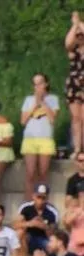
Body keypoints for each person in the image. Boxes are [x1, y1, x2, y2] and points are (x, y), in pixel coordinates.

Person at [20, 73, 59, 200]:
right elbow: (23, 121)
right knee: (30, 173)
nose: (38, 86)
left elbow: (53, 119)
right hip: (30, 140)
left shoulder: (53, 99)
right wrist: (34, 105)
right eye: (35, 84)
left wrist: (43, 102)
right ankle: (27, 204)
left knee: (43, 173)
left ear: (46, 84)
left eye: (40, 83)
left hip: (46, 139)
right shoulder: (28, 100)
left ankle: (42, 203)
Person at [15, 184, 59, 256]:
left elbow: (53, 234)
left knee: (53, 245)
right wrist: (31, 223)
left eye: (43, 198)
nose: (41, 200)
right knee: (20, 232)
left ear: (47, 198)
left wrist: (44, 226)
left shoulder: (52, 212)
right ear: (33, 196)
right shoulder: (26, 208)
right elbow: (15, 225)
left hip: (43, 239)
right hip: (28, 238)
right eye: (38, 197)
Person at [66, 11, 84, 152]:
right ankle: (77, 148)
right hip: (74, 83)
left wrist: (80, 23)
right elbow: (68, 43)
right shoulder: (73, 50)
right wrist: (75, 25)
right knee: (76, 118)